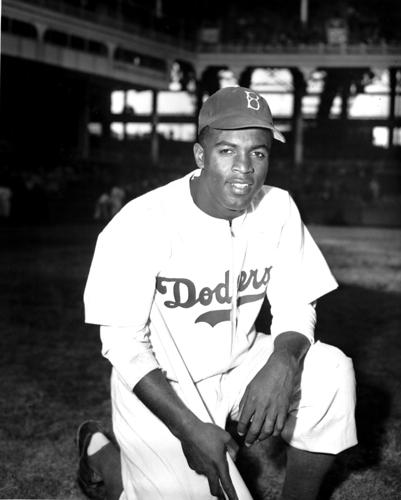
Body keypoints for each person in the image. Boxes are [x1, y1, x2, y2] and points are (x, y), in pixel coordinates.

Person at [80, 86, 357, 500]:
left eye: (258, 152)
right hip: (164, 384)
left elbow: (296, 302)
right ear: (200, 155)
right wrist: (189, 429)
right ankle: (101, 456)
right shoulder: (140, 222)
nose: (245, 167)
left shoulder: (278, 207)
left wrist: (282, 360)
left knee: (331, 370)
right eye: (227, 150)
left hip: (242, 363)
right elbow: (122, 345)